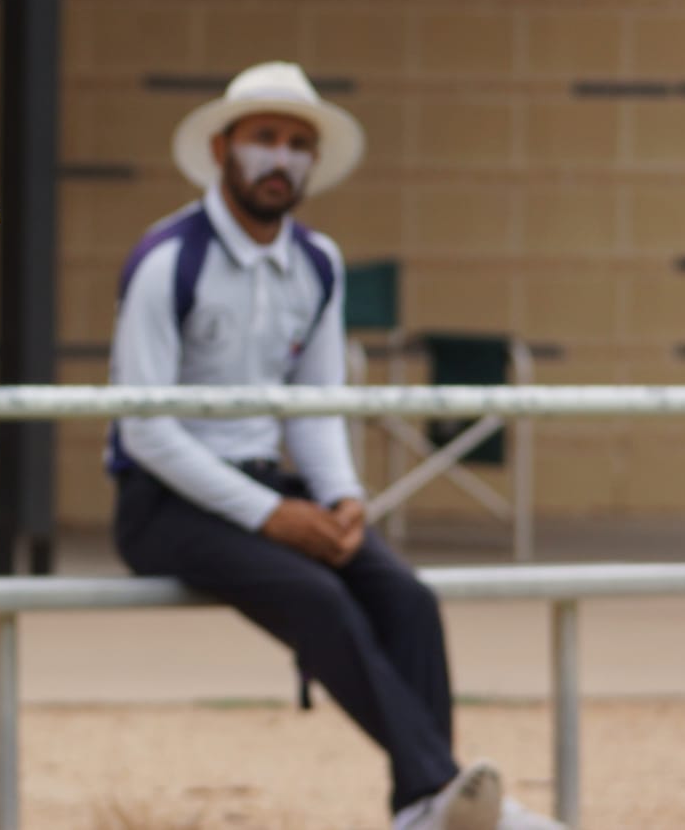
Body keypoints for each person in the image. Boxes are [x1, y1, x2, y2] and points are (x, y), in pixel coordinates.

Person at [106, 61, 562, 830]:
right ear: (221, 148)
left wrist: (345, 497)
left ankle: (422, 807)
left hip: (268, 490)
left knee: (409, 599)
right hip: (161, 505)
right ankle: (438, 792)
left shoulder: (319, 263)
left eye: (297, 143)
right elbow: (144, 428)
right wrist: (274, 517)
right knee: (319, 595)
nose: (282, 158)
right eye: (264, 139)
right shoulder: (167, 259)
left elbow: (318, 408)